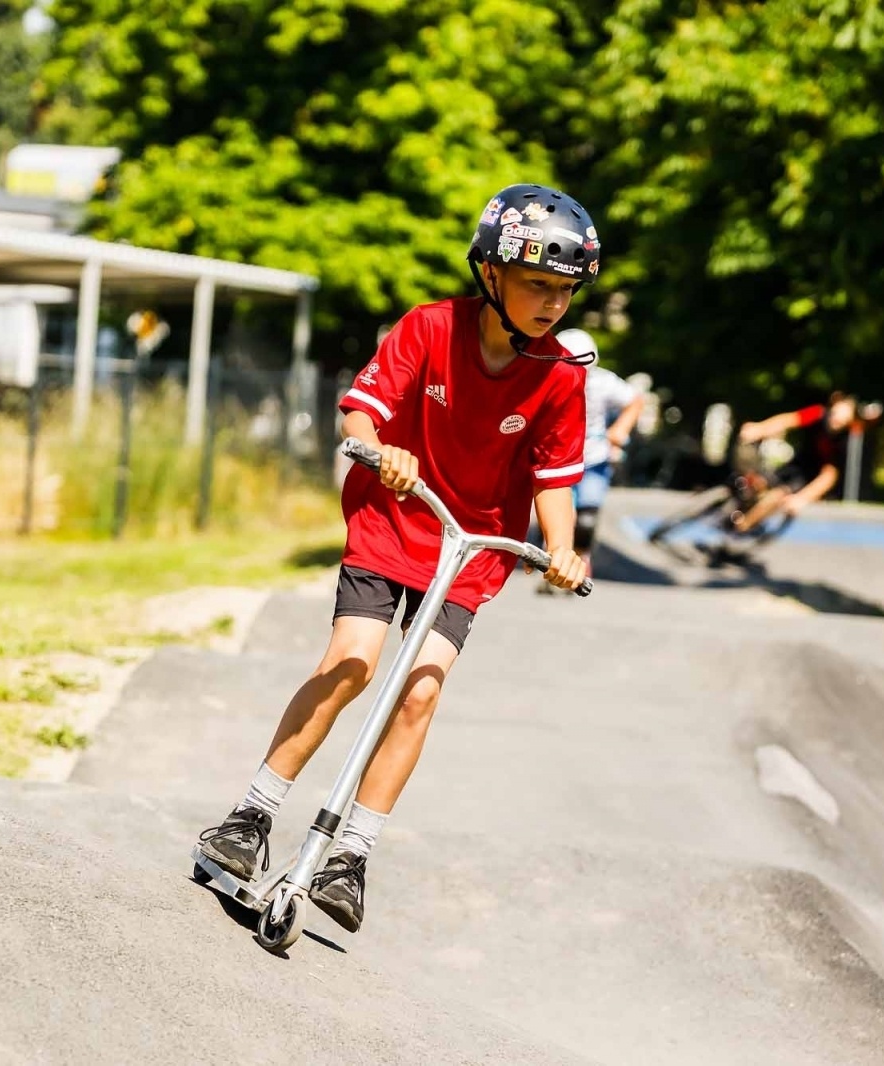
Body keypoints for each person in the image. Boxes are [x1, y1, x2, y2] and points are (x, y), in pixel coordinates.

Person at [196, 183, 599, 933]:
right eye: (538, 285)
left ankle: (350, 855)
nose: (552, 304)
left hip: (472, 547)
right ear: (492, 273)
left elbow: (555, 479)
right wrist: (380, 452)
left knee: (420, 691)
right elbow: (361, 411)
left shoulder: (561, 376)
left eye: (565, 291)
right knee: (353, 662)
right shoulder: (429, 329)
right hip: (394, 516)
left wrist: (565, 550)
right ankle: (250, 816)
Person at [538, 328, 642, 587]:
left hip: (593, 459)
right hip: (557, 460)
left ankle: (581, 560)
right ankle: (552, 566)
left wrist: (620, 428)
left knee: (586, 521)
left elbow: (635, 401)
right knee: (561, 517)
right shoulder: (544, 381)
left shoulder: (604, 383)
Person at [730, 391, 861, 533]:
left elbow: (828, 475)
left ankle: (743, 526)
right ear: (832, 407)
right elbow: (788, 420)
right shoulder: (818, 414)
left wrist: (802, 498)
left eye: (843, 420)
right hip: (799, 462)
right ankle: (739, 503)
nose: (836, 421)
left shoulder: (844, 441)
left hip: (809, 477)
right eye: (836, 414)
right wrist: (760, 429)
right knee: (761, 481)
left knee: (777, 496)